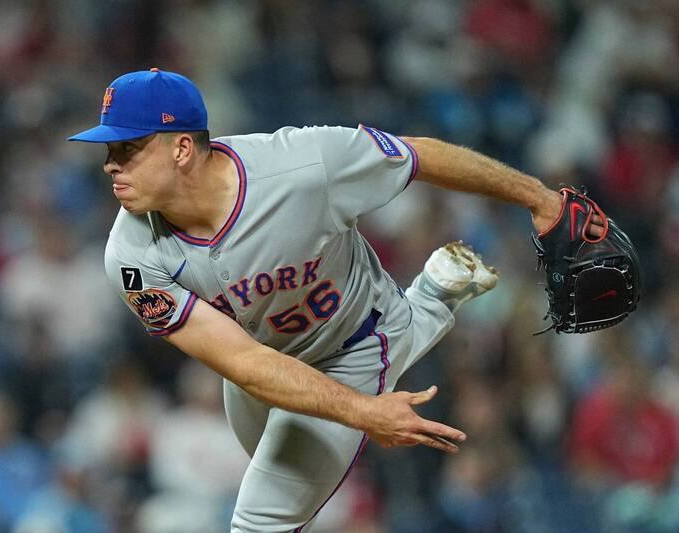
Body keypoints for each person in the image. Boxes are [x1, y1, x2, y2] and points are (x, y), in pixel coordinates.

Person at [68, 68, 604, 532]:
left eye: (127, 149)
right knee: (285, 492)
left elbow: (418, 156)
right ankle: (434, 295)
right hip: (261, 366)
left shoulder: (303, 165)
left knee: (259, 522)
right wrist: (365, 414)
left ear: (182, 148)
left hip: (352, 345)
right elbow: (246, 364)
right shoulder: (130, 255)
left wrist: (540, 199)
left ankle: (424, 307)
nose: (111, 164)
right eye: (110, 151)